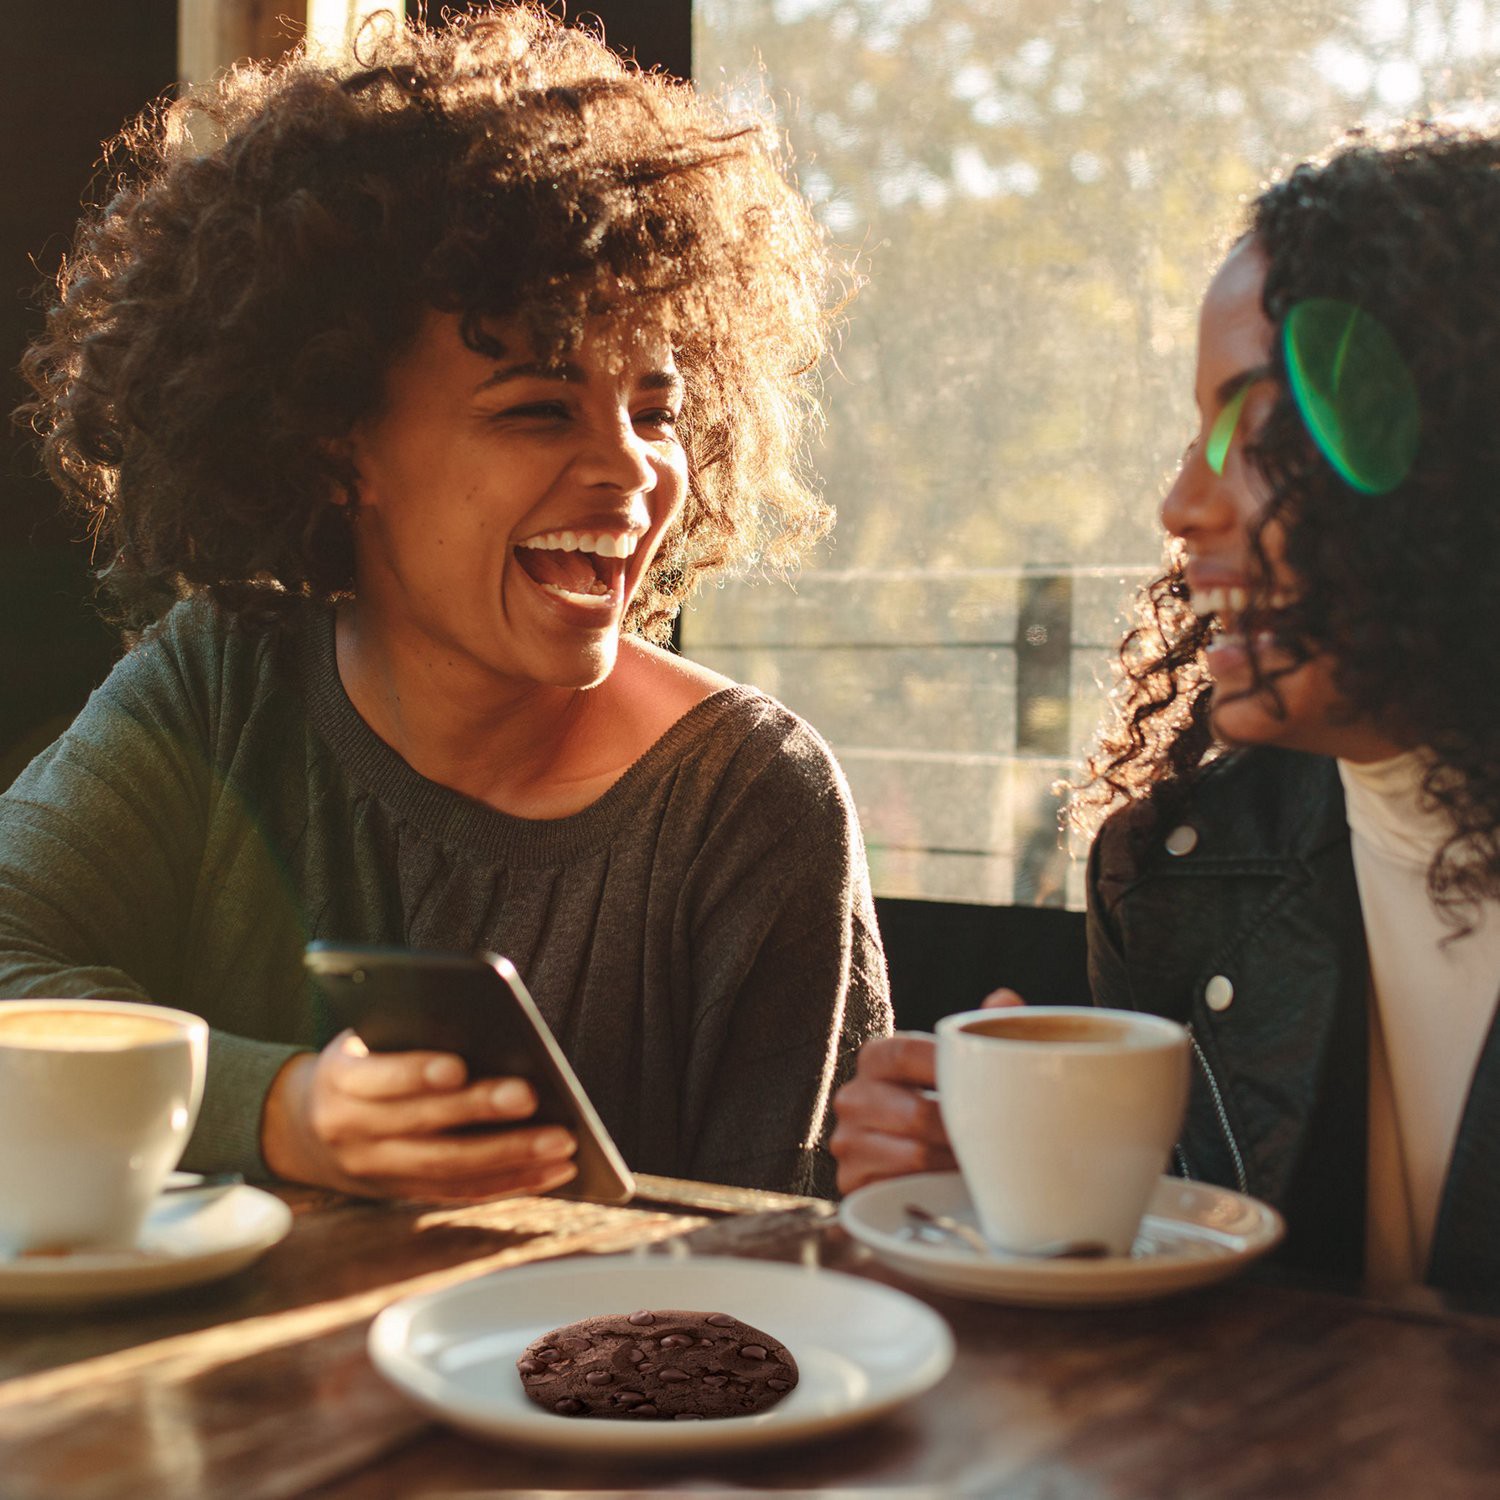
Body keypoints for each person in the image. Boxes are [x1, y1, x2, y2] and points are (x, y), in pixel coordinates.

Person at [2, 4, 890, 1202]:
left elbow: (786, 1253)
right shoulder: (222, 684)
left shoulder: (753, 802)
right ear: (336, 444)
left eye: (657, 410)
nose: (633, 471)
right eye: (538, 408)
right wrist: (280, 1110)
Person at [831, 120, 1500, 1295]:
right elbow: (1180, 1312)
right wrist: (1003, 1199)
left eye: (1261, 428)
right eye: (1196, 435)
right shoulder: (1179, 875)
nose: (1182, 504)